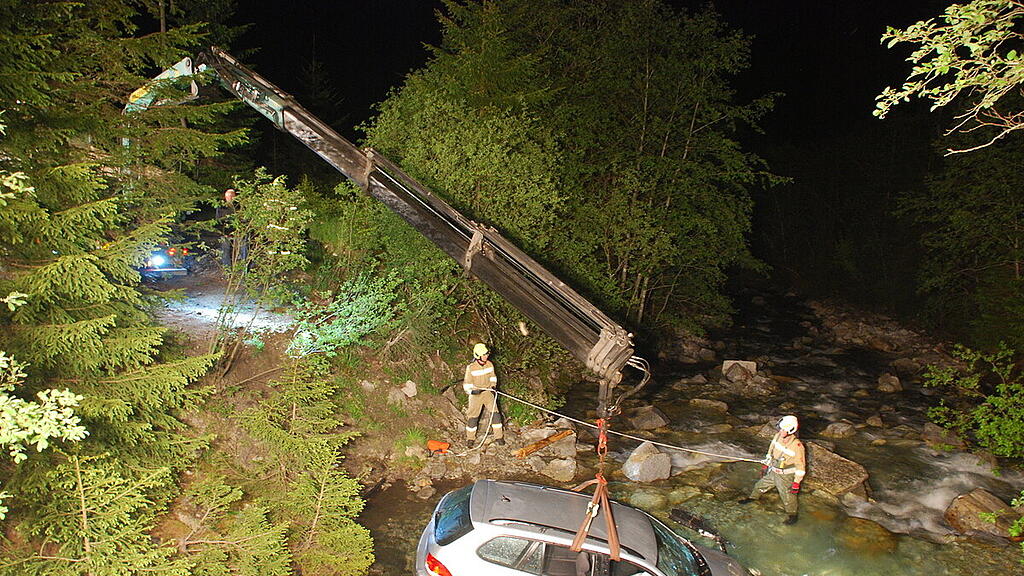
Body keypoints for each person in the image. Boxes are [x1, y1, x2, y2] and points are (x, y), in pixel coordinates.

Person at [739, 414, 806, 525]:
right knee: (760, 485)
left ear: (791, 431)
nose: (781, 431)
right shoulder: (777, 436)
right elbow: (771, 449)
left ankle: (792, 514)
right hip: (773, 470)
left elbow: (801, 466)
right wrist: (766, 464)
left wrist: (796, 483)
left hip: (785, 476)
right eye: (781, 428)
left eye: (784, 430)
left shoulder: (797, 446)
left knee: (788, 496)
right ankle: (753, 498)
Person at [463, 342, 504, 447]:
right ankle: (470, 438)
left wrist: (493, 386)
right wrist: (472, 391)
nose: (486, 356)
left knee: (496, 415)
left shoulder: (490, 364)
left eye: (487, 354)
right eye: (484, 354)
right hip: (475, 395)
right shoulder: (471, 368)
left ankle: (499, 437)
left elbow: (493, 377)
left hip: (487, 392)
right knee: (473, 417)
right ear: (478, 356)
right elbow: (467, 384)